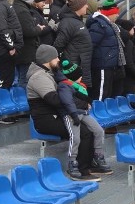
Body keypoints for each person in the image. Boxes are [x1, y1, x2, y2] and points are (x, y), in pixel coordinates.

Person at [25, 45, 102, 181]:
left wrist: (83, 101)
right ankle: (79, 170)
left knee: (90, 129)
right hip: (46, 120)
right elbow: (55, 100)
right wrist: (82, 104)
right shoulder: (38, 77)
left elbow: (68, 93)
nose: (58, 60)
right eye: (55, 58)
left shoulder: (50, 73)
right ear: (48, 59)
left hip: (57, 115)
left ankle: (89, 164)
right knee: (83, 131)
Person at [55, 60, 111, 174]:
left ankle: (98, 155)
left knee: (99, 130)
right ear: (73, 76)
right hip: (72, 115)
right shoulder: (64, 86)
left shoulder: (76, 86)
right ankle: (72, 161)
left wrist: (87, 102)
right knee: (75, 138)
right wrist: (74, 115)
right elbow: (68, 102)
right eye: (79, 76)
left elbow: (80, 98)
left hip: (83, 113)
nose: (81, 78)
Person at [85, 0, 126, 101]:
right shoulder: (100, 25)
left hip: (108, 64)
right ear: (110, 13)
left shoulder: (108, 25)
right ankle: (97, 116)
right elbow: (90, 45)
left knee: (106, 94)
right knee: (100, 94)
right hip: (102, 65)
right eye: (116, 13)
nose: (117, 15)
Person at [53, 0, 93, 89]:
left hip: (81, 67)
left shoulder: (76, 21)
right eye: (85, 4)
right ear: (78, 7)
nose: (87, 6)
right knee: (77, 98)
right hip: (74, 69)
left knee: (82, 97)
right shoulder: (68, 23)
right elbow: (58, 46)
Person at [12, 0, 45, 88]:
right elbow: (28, 31)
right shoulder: (22, 11)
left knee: (21, 77)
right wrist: (39, 28)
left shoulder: (16, 7)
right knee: (25, 78)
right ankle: (22, 99)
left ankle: (20, 98)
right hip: (25, 51)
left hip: (21, 50)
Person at [115, 19, 135, 96]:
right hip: (129, 77)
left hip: (123, 75)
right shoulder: (129, 43)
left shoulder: (121, 40)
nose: (134, 30)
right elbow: (129, 61)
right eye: (132, 28)